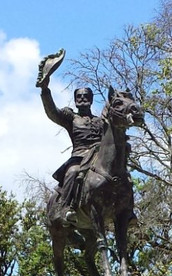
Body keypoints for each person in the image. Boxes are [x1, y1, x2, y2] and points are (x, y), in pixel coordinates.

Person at [37, 50, 106, 224]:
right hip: (80, 158)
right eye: (79, 97)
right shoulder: (71, 118)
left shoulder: (100, 121)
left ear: (91, 100)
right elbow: (52, 113)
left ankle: (127, 212)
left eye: (85, 97)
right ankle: (65, 208)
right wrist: (45, 90)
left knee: (121, 175)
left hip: (100, 160)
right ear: (75, 101)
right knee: (73, 172)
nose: (82, 99)